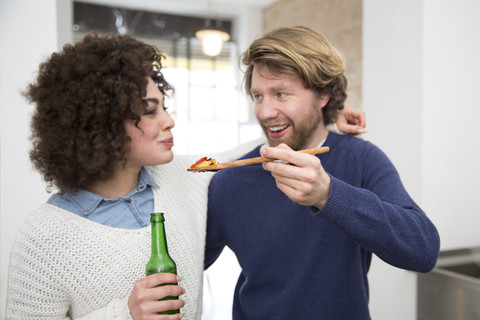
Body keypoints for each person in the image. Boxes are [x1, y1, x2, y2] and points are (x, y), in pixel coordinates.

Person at [4, 32, 365, 319]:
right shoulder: (43, 238)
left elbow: (240, 155)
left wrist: (322, 116)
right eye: (149, 111)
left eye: (164, 106)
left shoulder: (184, 178)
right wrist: (125, 316)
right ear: (99, 125)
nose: (168, 121)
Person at [204, 26, 440, 320]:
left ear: (323, 95)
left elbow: (423, 251)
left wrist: (329, 195)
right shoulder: (230, 182)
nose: (264, 112)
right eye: (258, 96)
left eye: (280, 94)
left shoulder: (361, 159)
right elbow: (183, 263)